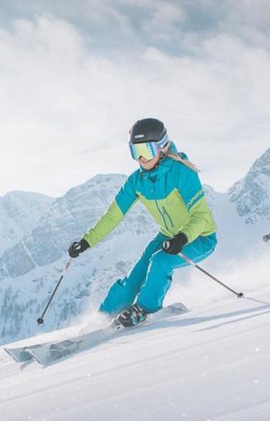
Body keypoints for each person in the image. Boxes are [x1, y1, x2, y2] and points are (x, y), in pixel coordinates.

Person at [67, 118, 218, 327]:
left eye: (146, 150)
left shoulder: (182, 172)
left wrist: (182, 238)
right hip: (167, 236)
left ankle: (146, 309)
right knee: (136, 275)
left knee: (161, 262)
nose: (140, 158)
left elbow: (201, 216)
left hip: (199, 237)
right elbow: (113, 216)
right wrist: (86, 242)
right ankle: (104, 317)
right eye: (135, 151)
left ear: (163, 147)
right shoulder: (137, 181)